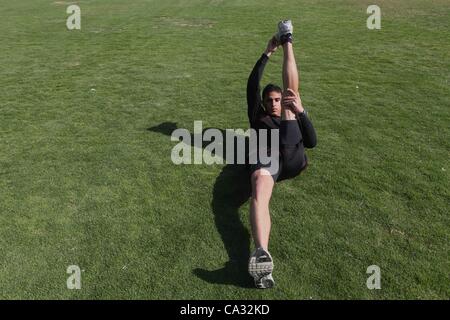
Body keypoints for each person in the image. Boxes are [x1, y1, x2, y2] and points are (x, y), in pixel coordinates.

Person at [246, 20, 317, 288]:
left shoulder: (289, 111)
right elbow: (252, 84)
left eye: (276, 100)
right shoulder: (259, 117)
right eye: (269, 101)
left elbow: (312, 142)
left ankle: (288, 39)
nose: (273, 104)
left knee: (292, 98)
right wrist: (266, 53)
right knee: (258, 189)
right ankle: (261, 253)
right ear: (263, 104)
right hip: (270, 159)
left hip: (294, 156)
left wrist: (301, 113)